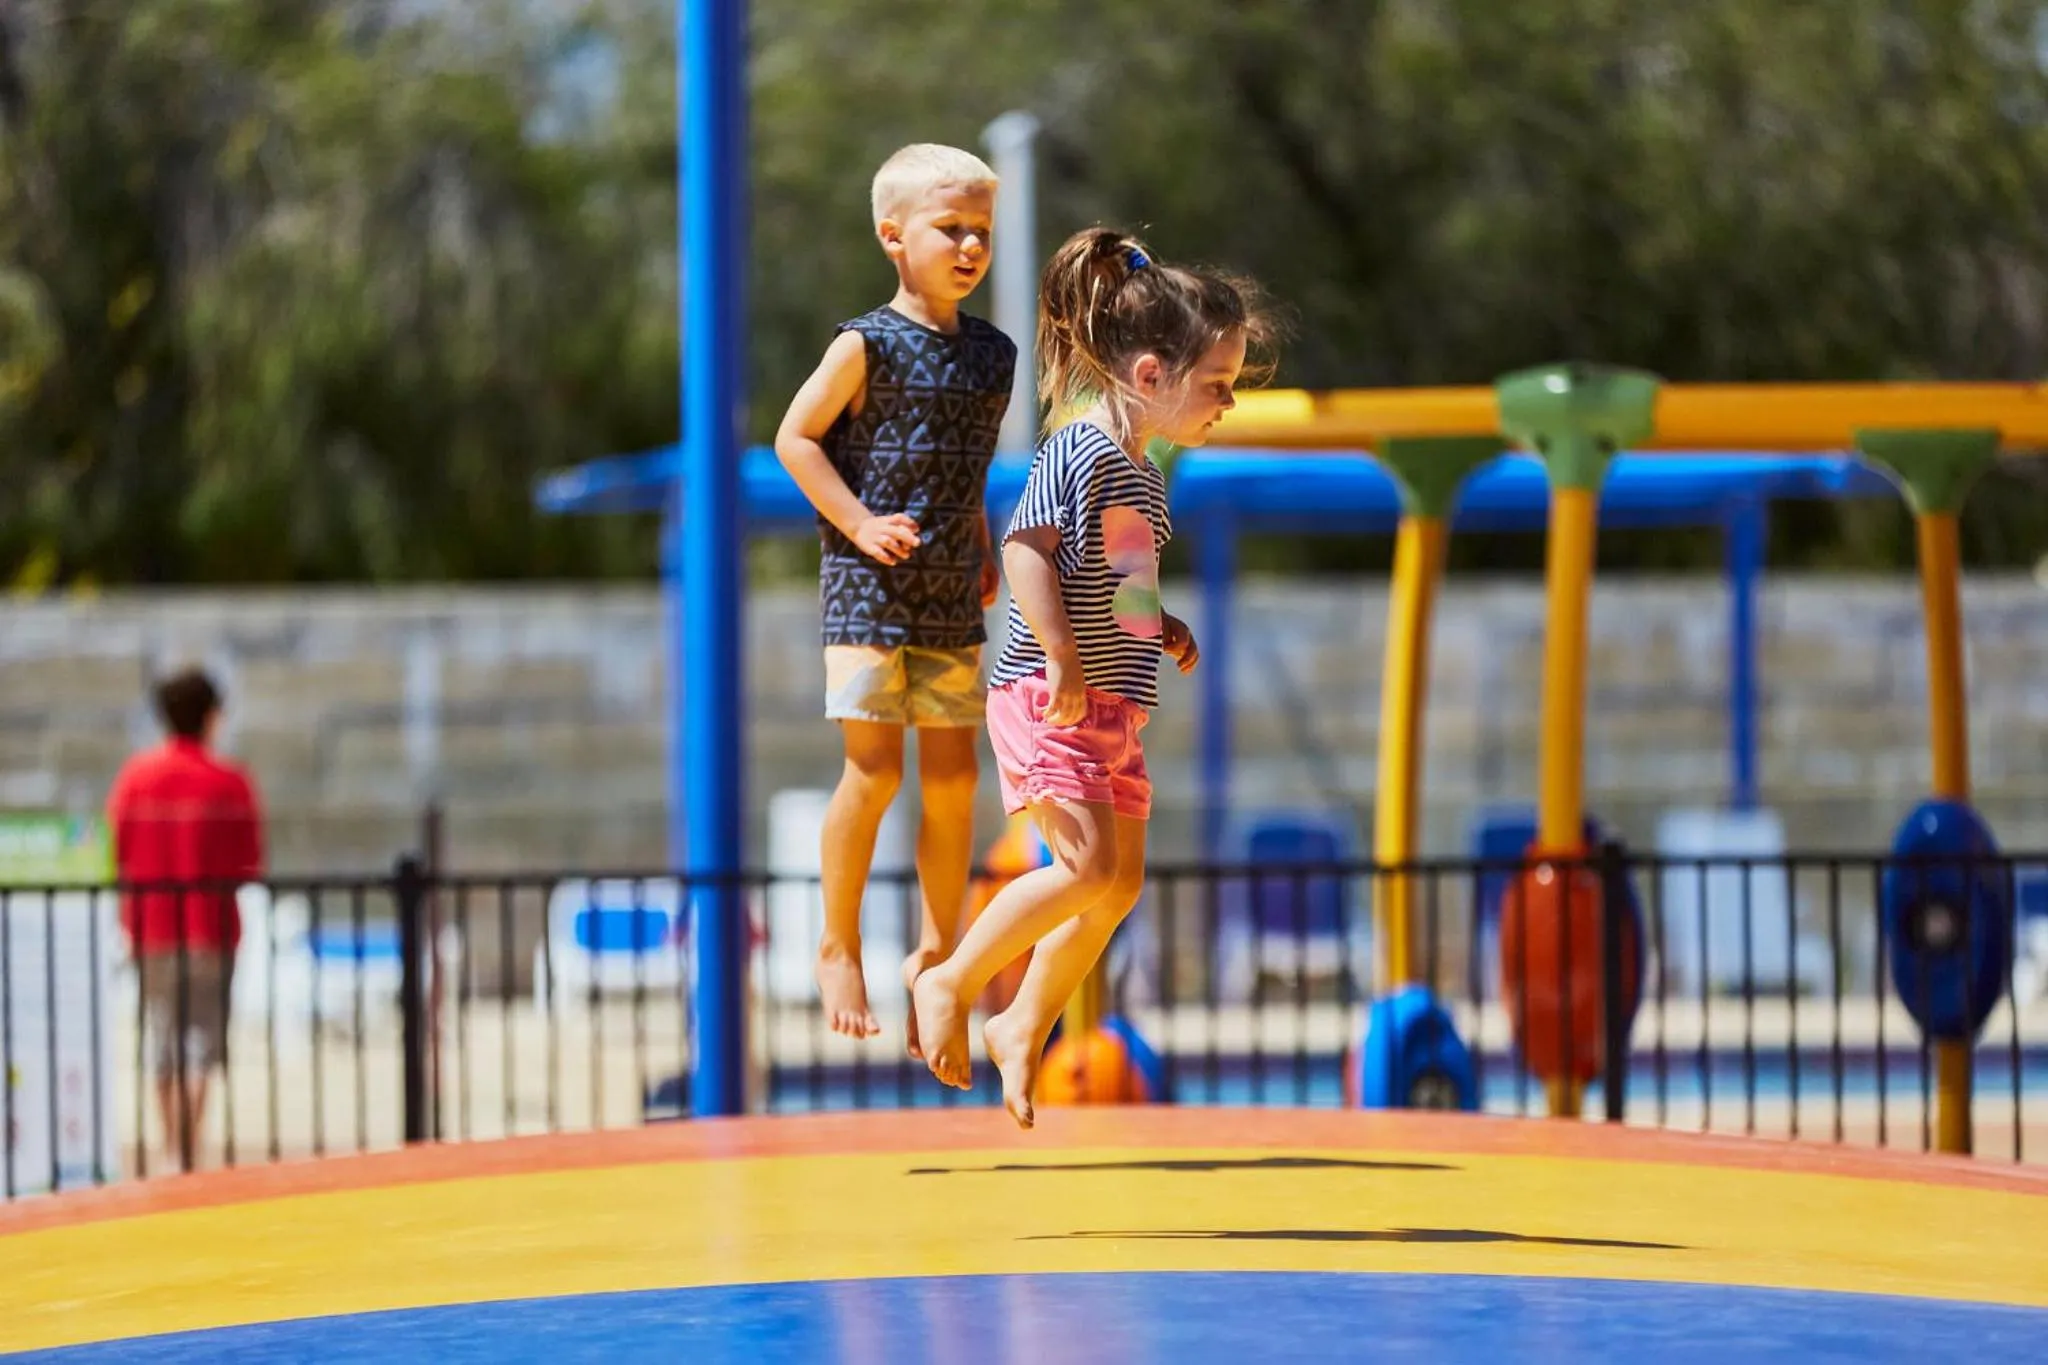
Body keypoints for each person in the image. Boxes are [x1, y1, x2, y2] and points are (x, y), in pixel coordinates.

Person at [911, 226, 1274, 1125]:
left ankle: (1024, 1022)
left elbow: (1125, 583)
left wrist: (1164, 629)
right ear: (1151, 375)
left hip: (1109, 707)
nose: (1226, 402)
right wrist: (1066, 653)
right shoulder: (1077, 451)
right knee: (1083, 869)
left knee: (1118, 883)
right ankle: (952, 979)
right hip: (1049, 692)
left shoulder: (1143, 476)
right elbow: (1025, 550)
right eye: (1217, 385)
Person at [773, 143, 1018, 1052]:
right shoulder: (862, 342)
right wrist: (861, 521)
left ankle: (938, 949)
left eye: (981, 231)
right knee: (874, 772)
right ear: (893, 235)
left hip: (952, 588)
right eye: (950, 227)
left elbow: (968, 464)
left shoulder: (993, 355)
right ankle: (838, 945)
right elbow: (795, 440)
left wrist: (984, 544)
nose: (969, 246)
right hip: (866, 590)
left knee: (954, 779)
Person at [107, 666, 264, 1170]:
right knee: (202, 1044)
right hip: (212, 928)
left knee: (161, 1040)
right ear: (211, 716)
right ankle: (192, 1149)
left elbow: (117, 849)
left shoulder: (136, 778)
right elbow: (249, 861)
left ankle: (171, 1146)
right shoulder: (229, 781)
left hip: (151, 929)